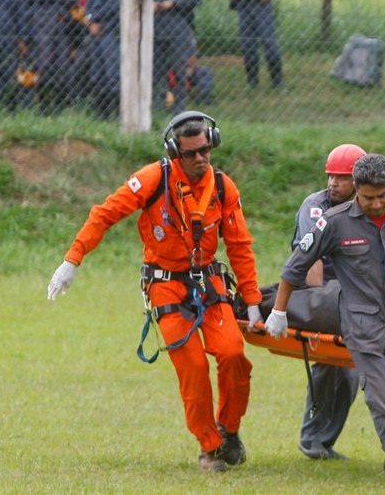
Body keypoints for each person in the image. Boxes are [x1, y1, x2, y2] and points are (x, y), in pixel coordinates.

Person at [47, 110, 262, 473]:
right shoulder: (152, 179)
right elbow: (105, 214)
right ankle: (210, 448)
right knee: (193, 366)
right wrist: (73, 259)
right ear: (174, 152)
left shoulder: (223, 187)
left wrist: (253, 300)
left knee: (234, 354)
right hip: (165, 285)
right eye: (191, 153)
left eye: (205, 151)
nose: (200, 159)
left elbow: (239, 246)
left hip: (209, 284)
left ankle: (229, 430)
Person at [266, 153, 385, 492]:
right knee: (380, 399)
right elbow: (294, 268)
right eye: (369, 197)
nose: (376, 204)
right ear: (357, 190)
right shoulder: (333, 222)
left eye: (383, 196)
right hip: (362, 326)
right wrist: (279, 311)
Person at [289, 144, 366, 461]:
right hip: (319, 291)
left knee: (350, 372)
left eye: (342, 177)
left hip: (352, 294)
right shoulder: (316, 206)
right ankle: (312, 438)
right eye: (331, 175)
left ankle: (324, 441)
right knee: (329, 363)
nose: (333, 183)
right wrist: (322, 310)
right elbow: (311, 263)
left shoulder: (367, 204)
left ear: (357, 181)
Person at [27, 0, 80, 112]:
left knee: (63, 69)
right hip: (44, 26)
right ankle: (42, 107)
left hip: (64, 27)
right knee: (43, 67)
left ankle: (63, 107)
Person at [225, 0, 283, 91]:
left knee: (269, 45)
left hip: (262, 8)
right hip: (244, 9)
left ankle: (278, 83)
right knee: (247, 46)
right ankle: (252, 82)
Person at [152, 0, 200, 114]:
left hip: (177, 31)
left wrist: (172, 3)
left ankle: (179, 109)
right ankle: (157, 108)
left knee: (180, 72)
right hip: (157, 32)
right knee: (156, 73)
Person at [80, 0, 119, 117]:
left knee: (112, 73)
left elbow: (114, 4)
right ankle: (100, 115)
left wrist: (93, 17)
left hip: (109, 31)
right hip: (93, 31)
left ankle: (115, 113)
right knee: (96, 73)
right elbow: (88, 2)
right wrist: (89, 21)